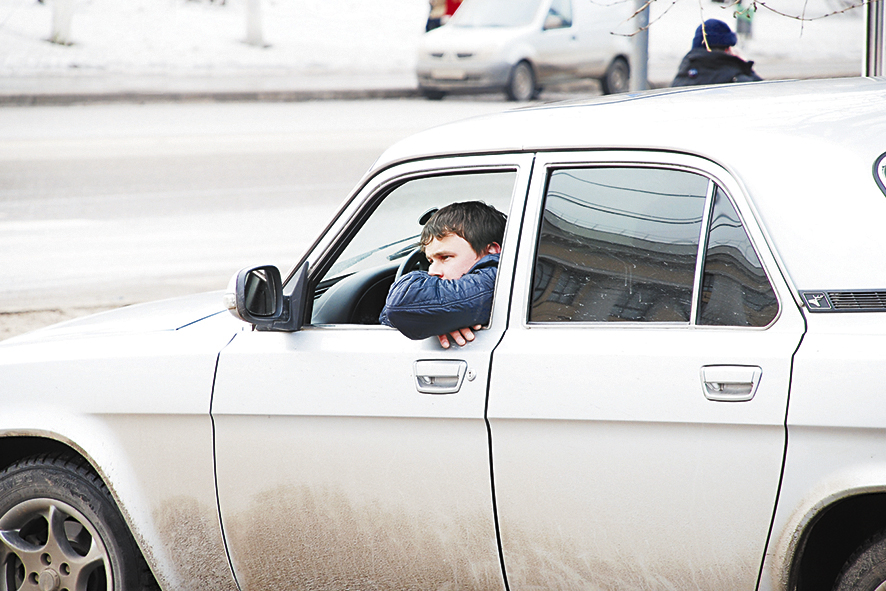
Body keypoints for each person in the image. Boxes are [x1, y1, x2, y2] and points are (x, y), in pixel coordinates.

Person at [379, 201, 506, 348]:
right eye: (431, 261)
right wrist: (441, 318)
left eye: (445, 257)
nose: (432, 271)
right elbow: (393, 314)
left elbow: (399, 305)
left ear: (491, 251)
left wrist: (436, 317)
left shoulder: (496, 279)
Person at [671, 18, 762, 87]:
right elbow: (762, 91)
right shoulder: (739, 81)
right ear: (727, 50)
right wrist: (744, 67)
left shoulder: (681, 78)